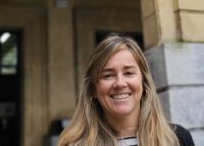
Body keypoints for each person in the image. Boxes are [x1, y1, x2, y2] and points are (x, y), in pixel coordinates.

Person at [58, 34, 195, 146]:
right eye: (108, 75)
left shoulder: (178, 139)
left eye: (129, 73)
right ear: (93, 89)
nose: (120, 83)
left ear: (144, 83)